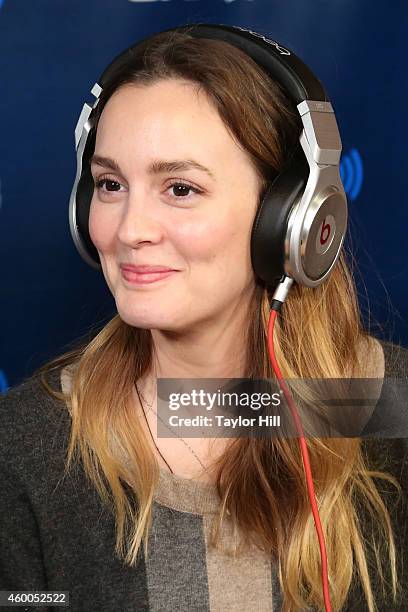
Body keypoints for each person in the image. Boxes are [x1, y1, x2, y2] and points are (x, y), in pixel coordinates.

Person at [1, 24, 407, 612]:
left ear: (289, 218)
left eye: (180, 189)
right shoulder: (23, 447)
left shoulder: (390, 407)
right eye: (111, 184)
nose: (131, 229)